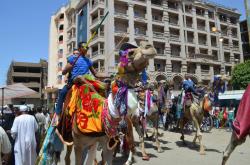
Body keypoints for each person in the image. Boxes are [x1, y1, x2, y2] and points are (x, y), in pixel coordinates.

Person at [55, 43, 109, 116]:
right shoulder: (72, 58)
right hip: (75, 80)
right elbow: (64, 72)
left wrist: (108, 75)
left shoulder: (88, 61)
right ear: (80, 49)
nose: (86, 48)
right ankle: (57, 114)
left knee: (102, 85)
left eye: (87, 47)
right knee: (62, 93)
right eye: (84, 47)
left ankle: (105, 107)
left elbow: (96, 74)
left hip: (87, 79)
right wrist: (69, 68)